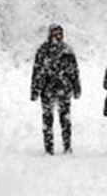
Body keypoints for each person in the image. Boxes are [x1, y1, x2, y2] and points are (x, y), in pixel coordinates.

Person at [30, 24, 81, 155]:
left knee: (66, 120)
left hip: (64, 89)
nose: (58, 36)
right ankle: (48, 149)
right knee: (47, 119)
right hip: (47, 90)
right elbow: (37, 71)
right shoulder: (43, 50)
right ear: (50, 34)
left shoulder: (67, 50)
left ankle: (67, 147)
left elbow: (74, 71)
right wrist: (35, 90)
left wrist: (76, 88)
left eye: (60, 33)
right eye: (55, 33)